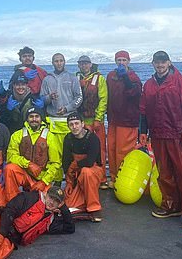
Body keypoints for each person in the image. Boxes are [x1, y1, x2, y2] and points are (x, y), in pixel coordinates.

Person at [139, 50, 182, 232]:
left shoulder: (180, 81)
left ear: (169, 63)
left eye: (163, 62)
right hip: (158, 135)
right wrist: (143, 131)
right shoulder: (149, 85)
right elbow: (143, 110)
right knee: (164, 173)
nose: (160, 65)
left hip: (178, 136)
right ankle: (171, 205)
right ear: (152, 64)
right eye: (157, 62)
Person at [40, 53, 83, 184]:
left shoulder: (72, 78)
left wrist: (67, 108)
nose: (59, 63)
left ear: (64, 62)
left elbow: (79, 98)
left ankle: (72, 180)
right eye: (56, 61)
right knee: (55, 154)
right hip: (53, 121)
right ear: (52, 63)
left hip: (69, 122)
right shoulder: (47, 79)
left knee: (71, 153)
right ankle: (58, 181)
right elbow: (42, 99)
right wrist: (49, 98)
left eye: (61, 60)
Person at [3, 107, 61, 201]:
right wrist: (28, 164)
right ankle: (12, 201)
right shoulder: (17, 135)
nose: (34, 119)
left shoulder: (50, 137)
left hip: (42, 177)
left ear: (41, 119)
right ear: (27, 119)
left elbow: (55, 163)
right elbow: (11, 156)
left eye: (37, 116)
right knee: (9, 168)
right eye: (31, 116)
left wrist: (44, 181)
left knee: (47, 203)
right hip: (24, 174)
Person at [106, 50, 142, 188]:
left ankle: (123, 182)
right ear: (115, 61)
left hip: (127, 121)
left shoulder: (133, 77)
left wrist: (126, 78)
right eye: (119, 60)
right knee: (112, 150)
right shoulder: (111, 76)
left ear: (128, 61)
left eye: (124, 60)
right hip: (113, 119)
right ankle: (114, 178)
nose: (121, 62)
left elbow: (136, 94)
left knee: (124, 152)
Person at [62, 113, 104, 222]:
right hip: (76, 173)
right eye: (71, 124)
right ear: (68, 126)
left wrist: (75, 165)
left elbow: (90, 162)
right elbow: (66, 162)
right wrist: (69, 183)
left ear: (82, 124)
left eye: (76, 123)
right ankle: (83, 202)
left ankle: (94, 209)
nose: (74, 127)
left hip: (93, 171)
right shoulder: (68, 139)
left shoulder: (93, 138)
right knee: (69, 205)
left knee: (86, 172)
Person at [76, 55, 109, 189]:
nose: (84, 66)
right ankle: (83, 177)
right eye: (81, 63)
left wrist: (98, 118)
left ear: (90, 64)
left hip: (95, 121)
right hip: (81, 121)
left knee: (100, 149)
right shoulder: (76, 78)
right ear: (78, 65)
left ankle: (102, 178)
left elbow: (103, 99)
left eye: (86, 63)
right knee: (82, 150)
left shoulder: (99, 78)